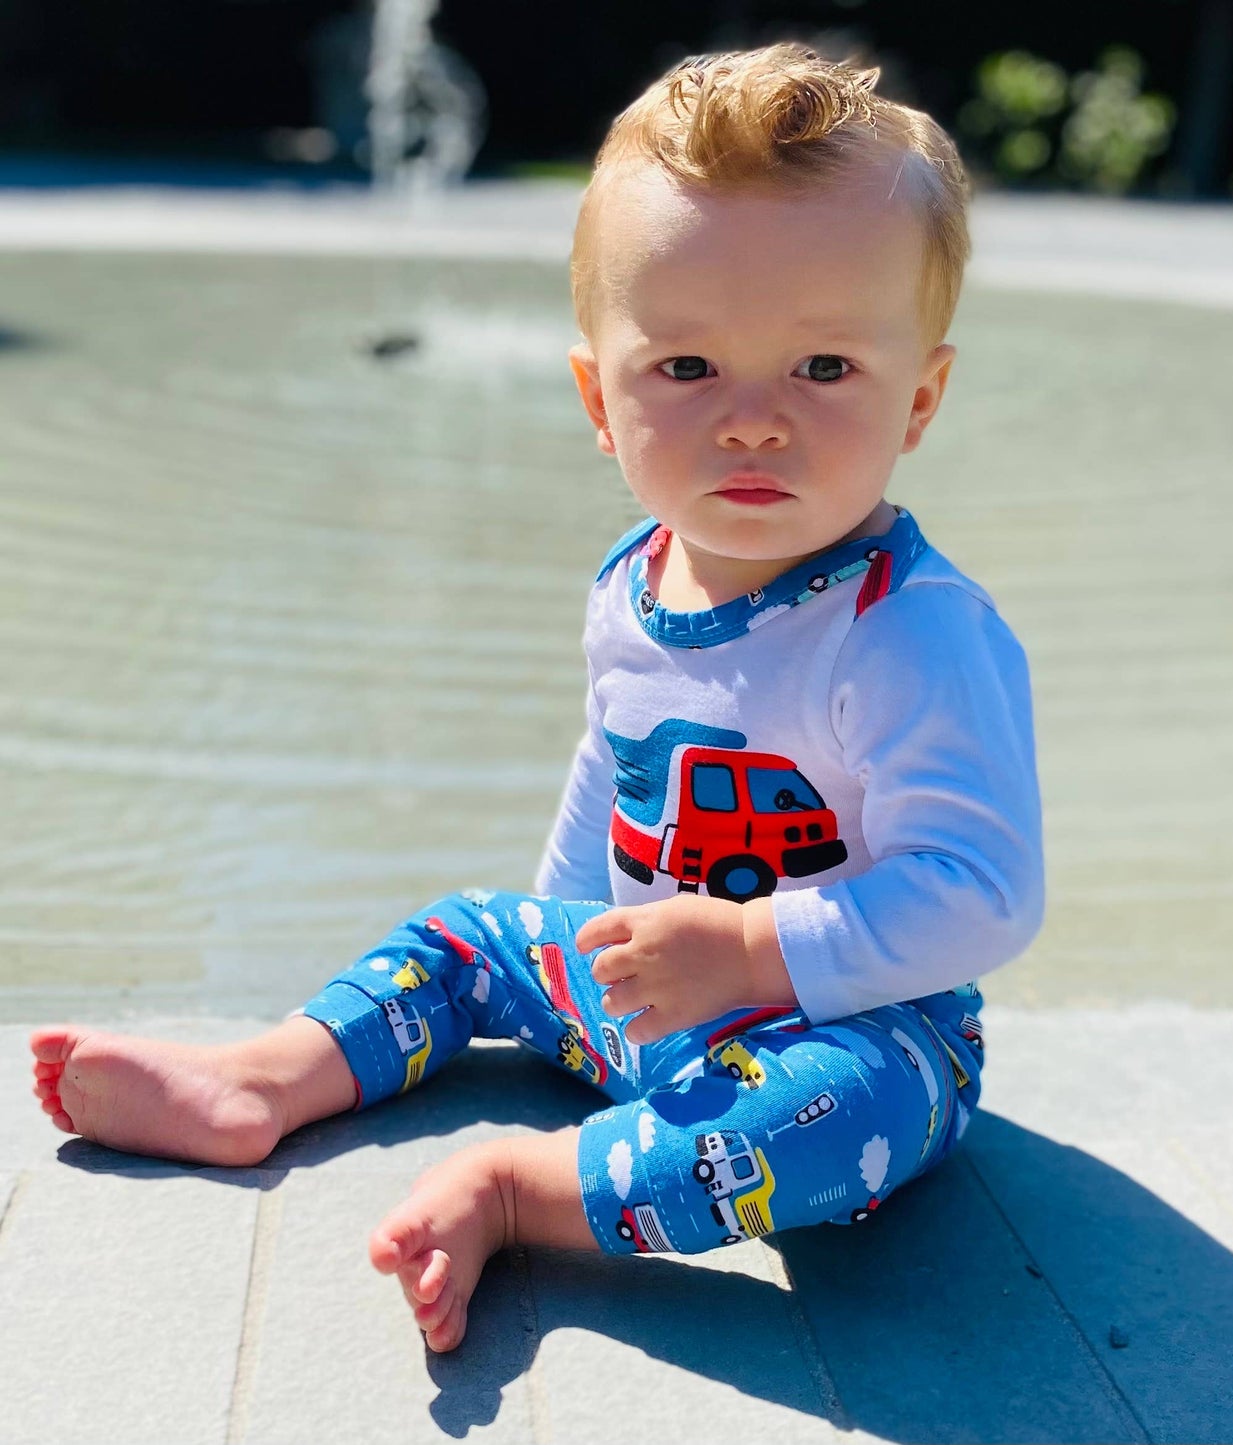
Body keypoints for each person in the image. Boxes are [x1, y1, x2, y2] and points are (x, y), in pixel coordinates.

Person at [29, 44, 1044, 1354]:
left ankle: (527, 1189)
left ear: (920, 397)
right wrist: (562, 936)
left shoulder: (906, 630)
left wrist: (746, 956)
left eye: (823, 369)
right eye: (685, 369)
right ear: (596, 401)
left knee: (827, 1116)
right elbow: (610, 760)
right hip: (648, 984)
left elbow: (982, 889)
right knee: (465, 933)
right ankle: (264, 1078)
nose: (751, 422)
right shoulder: (633, 577)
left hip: (852, 1024)